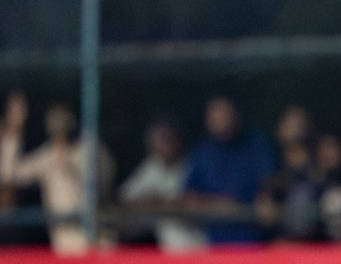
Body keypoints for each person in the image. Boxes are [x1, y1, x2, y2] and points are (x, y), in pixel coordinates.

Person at [0, 92, 113, 255]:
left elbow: (103, 184)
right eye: (53, 118)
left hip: (98, 243)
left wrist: (70, 166)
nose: (57, 123)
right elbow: (8, 175)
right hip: (65, 246)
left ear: (72, 119)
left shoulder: (91, 149)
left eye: (62, 117)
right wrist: (15, 128)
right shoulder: (47, 156)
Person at [183, 96, 276, 245]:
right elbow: (189, 195)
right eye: (215, 114)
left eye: (225, 113)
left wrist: (268, 196)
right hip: (216, 242)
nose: (221, 119)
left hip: (257, 240)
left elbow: (271, 181)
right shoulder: (203, 151)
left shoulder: (257, 143)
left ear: (236, 114)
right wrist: (217, 204)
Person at [118, 118, 205, 251]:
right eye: (157, 142)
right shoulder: (153, 165)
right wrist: (157, 201)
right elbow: (125, 197)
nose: (162, 146)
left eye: (167, 140)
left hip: (195, 238)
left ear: (178, 141)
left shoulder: (193, 164)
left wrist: (162, 202)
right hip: (163, 242)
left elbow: (187, 201)